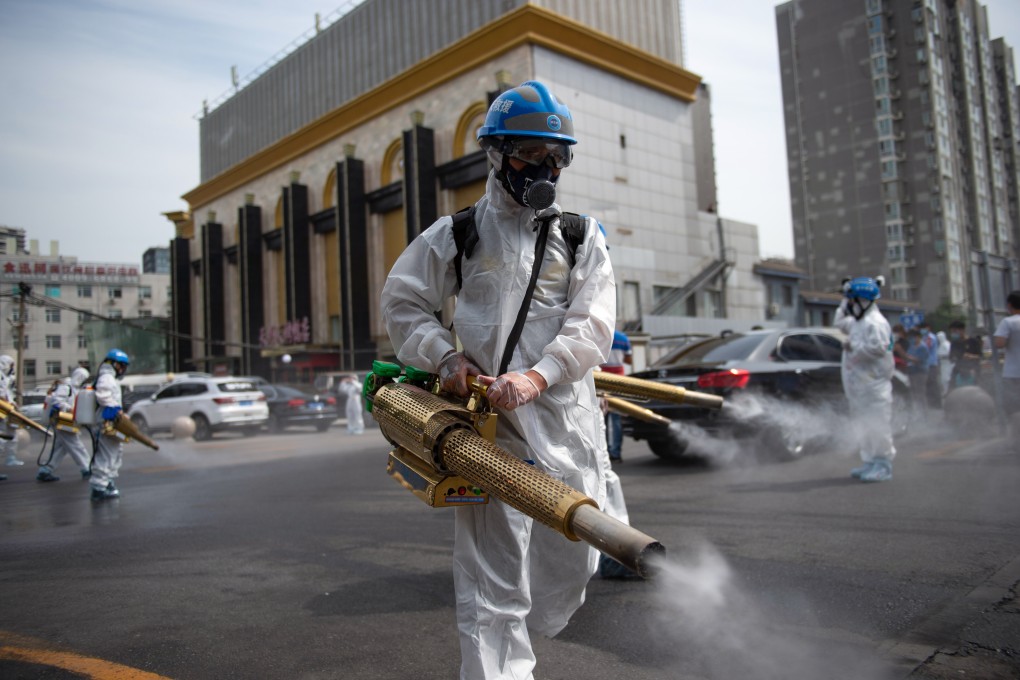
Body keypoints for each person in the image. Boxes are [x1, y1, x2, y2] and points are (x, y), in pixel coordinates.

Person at [380, 80, 615, 679]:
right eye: (530, 154)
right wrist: (445, 358)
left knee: (575, 555)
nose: (544, 167)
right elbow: (404, 302)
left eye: (555, 155)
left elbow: (593, 325)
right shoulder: (457, 235)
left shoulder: (580, 237)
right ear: (496, 154)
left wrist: (539, 377)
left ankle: (526, 634)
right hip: (490, 429)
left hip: (566, 426)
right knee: (491, 582)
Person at [836, 276, 896, 482]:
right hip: (860, 386)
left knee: (878, 426)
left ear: (863, 300)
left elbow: (878, 349)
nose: (850, 306)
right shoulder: (858, 322)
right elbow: (839, 322)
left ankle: (883, 464)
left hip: (874, 386)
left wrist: (854, 348)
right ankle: (869, 460)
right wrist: (845, 297)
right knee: (864, 425)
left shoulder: (876, 323)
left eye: (853, 301)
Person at [36, 367, 92, 482]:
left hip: (67, 420)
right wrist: (69, 408)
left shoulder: (74, 389)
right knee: (76, 445)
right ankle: (87, 468)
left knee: (61, 448)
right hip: (62, 420)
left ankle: (46, 470)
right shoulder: (67, 387)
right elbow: (57, 400)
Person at [90, 349, 130, 501]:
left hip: (111, 421)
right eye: (121, 366)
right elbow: (103, 396)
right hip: (105, 422)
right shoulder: (106, 377)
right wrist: (116, 411)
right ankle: (98, 488)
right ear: (113, 364)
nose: (122, 369)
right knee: (106, 456)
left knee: (115, 453)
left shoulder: (110, 378)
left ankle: (107, 482)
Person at [601, 329, 632, 463]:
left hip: (602, 379)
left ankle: (605, 452)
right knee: (616, 419)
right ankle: (616, 452)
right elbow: (629, 360)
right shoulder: (623, 338)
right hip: (619, 381)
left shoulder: (601, 335)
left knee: (603, 418)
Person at [993, 290, 1020, 420]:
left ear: (1009, 305)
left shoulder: (1008, 322)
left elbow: (999, 343)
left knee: (1013, 408)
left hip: (1013, 374)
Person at [0, 354, 23, 468]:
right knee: (2, 437)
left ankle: (11, 458)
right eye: (11, 365)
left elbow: (8, 394)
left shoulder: (7, 378)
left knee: (12, 435)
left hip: (7, 409)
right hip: (1, 410)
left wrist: (13, 403)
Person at [947, 320, 982, 390]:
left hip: (972, 370)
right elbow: (951, 358)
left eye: (955, 331)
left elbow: (980, 356)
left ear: (962, 330)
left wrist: (971, 356)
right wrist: (954, 358)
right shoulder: (954, 343)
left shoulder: (973, 341)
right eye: (952, 332)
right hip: (958, 371)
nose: (953, 333)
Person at [905, 328, 931, 421]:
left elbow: (918, 360)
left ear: (918, 337)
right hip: (912, 371)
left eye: (913, 337)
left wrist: (906, 357)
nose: (912, 339)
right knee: (914, 393)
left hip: (921, 372)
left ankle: (924, 414)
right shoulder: (912, 346)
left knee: (920, 393)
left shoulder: (922, 347)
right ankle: (917, 412)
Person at [919, 320, 942, 409]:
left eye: (924, 328)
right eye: (921, 328)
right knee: (928, 384)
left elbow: (925, 348)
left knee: (933, 384)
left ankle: (936, 404)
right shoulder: (924, 337)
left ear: (928, 328)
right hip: (926, 364)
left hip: (931, 364)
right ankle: (931, 403)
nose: (922, 330)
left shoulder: (930, 337)